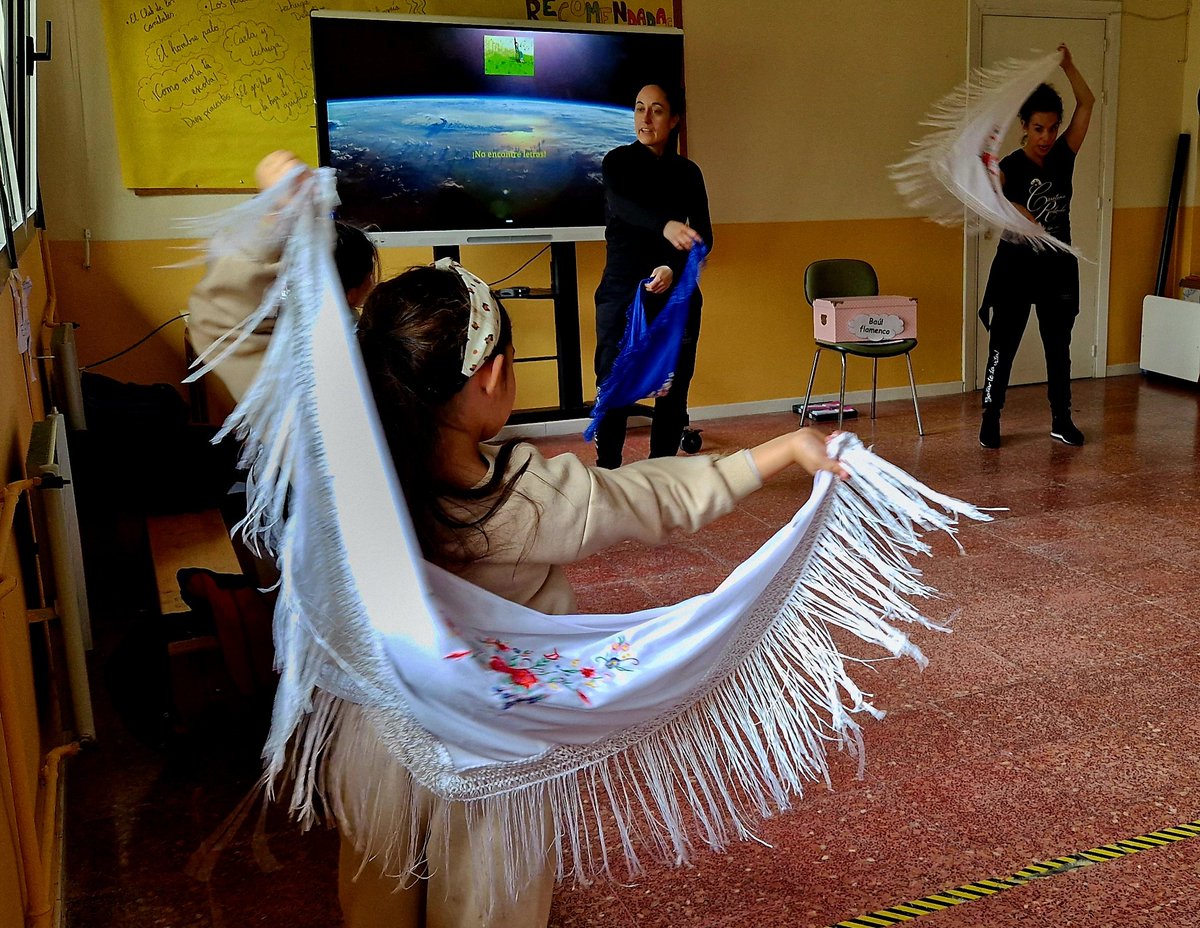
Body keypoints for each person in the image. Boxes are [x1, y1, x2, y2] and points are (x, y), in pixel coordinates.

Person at [198, 151, 848, 928]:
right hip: (494, 749)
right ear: (493, 375)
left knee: (375, 896)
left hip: (378, 730)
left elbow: (222, 329)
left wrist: (272, 224)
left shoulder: (330, 456)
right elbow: (656, 497)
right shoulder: (525, 495)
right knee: (487, 909)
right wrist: (778, 451)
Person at [186, 148, 380, 410]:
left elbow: (219, 324)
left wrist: (275, 215)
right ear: (355, 292)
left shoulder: (297, 384)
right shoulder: (367, 362)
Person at [978, 44, 1094, 449]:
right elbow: (988, 196)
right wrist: (1012, 205)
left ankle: (1061, 418)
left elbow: (1087, 103)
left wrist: (1069, 65)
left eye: (1052, 128)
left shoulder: (1064, 155)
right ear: (1024, 126)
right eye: (1038, 128)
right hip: (1015, 267)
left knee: (1058, 347)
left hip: (1058, 267)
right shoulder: (1009, 167)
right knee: (1003, 345)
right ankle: (990, 416)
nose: (1046, 137)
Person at [593, 81, 712, 468]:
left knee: (674, 388)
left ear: (674, 119)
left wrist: (671, 268)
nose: (645, 118)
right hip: (623, 293)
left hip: (675, 295)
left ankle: (661, 471)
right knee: (615, 383)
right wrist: (665, 226)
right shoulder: (617, 162)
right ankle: (608, 472)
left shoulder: (688, 173)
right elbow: (624, 207)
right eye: (639, 108)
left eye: (657, 110)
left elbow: (704, 237)